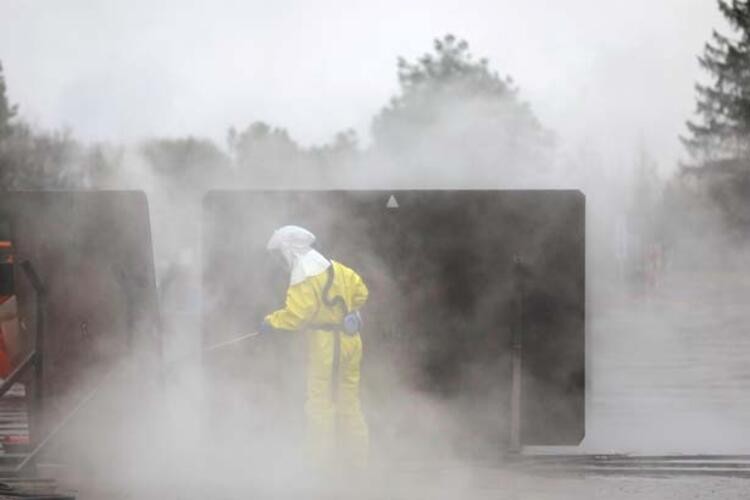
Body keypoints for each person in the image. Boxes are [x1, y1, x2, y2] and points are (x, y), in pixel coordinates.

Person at [259, 225, 370, 468]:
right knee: (349, 402)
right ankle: (359, 462)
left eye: (280, 255)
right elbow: (361, 293)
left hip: (326, 346)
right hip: (351, 342)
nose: (280, 262)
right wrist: (350, 313)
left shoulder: (303, 274)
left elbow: (298, 315)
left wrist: (271, 322)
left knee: (320, 404)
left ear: (290, 250)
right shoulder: (336, 268)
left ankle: (320, 466)